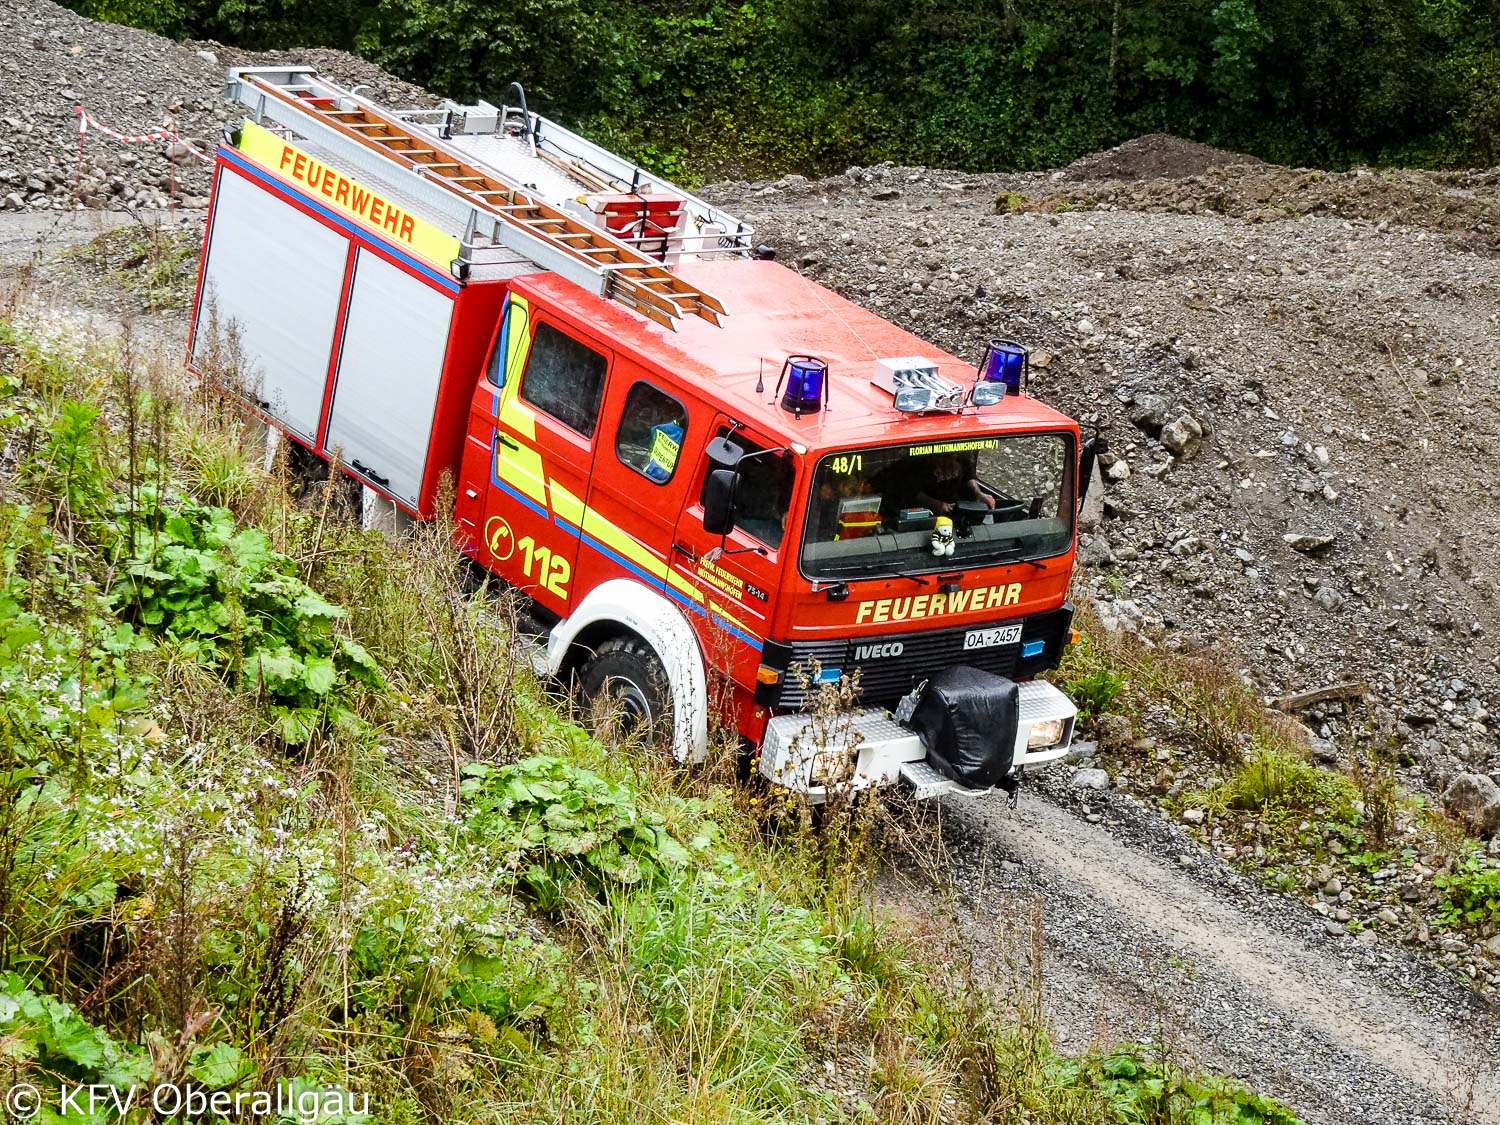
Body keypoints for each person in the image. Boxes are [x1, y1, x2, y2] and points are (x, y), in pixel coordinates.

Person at [914, 453, 994, 514]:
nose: (953, 457)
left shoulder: (962, 459)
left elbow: (969, 478)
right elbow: (914, 494)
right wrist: (937, 505)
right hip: (926, 514)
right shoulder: (921, 463)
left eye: (955, 455)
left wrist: (979, 494)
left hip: (958, 508)